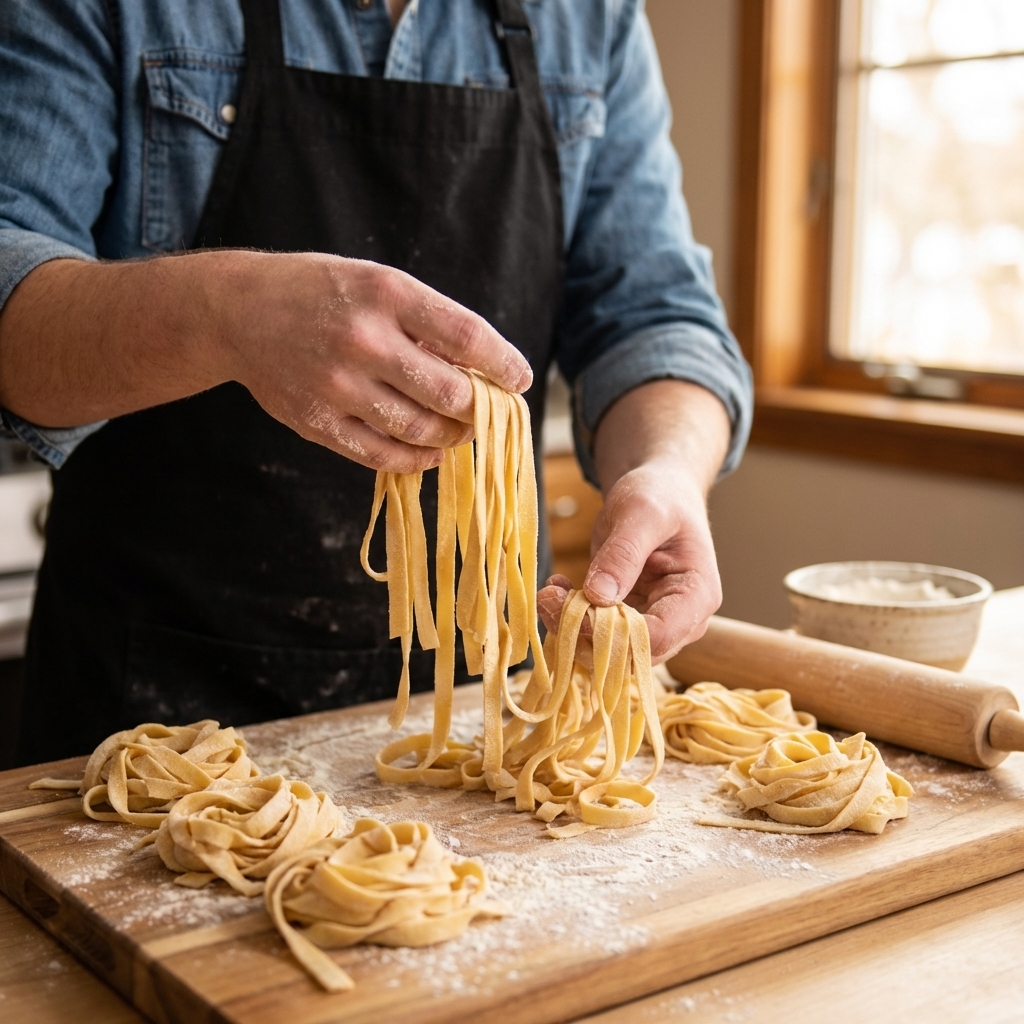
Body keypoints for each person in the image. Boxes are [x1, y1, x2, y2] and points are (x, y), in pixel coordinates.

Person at [0, 0, 752, 764]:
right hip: (151, 713)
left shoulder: (587, 17)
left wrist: (669, 468)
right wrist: (224, 310)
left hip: (483, 723)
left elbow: (654, 316)